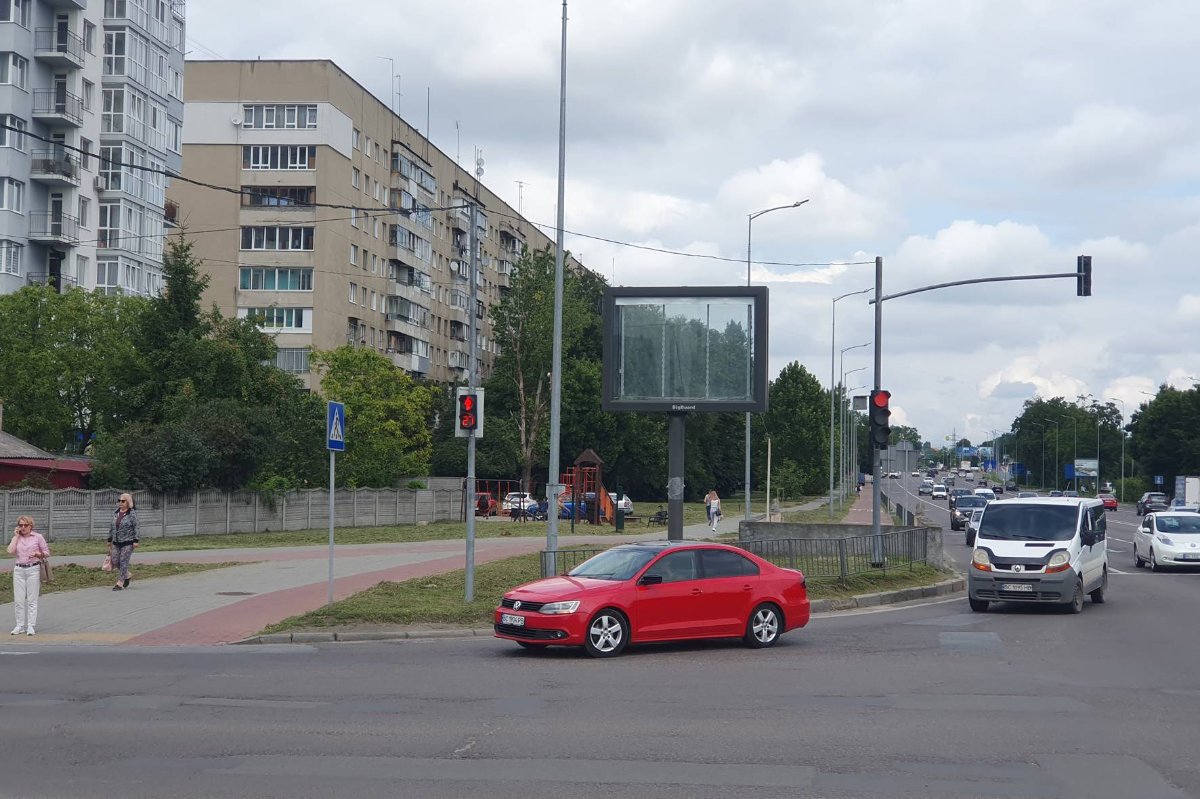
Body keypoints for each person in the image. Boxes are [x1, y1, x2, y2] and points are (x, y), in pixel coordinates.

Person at [7, 515, 49, 636]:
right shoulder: (17, 538)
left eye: (26, 525)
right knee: (19, 600)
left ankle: (31, 625)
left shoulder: (37, 537)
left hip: (33, 569)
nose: (23, 527)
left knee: (32, 599)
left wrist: (38, 553)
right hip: (19, 570)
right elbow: (10, 551)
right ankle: (19, 625)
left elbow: (47, 552)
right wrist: (15, 536)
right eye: (21, 525)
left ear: (31, 526)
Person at [107, 493, 139, 591]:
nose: (120, 502)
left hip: (128, 542)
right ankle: (127, 574)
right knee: (115, 561)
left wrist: (136, 540)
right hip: (116, 542)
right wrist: (109, 539)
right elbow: (111, 527)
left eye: (123, 501)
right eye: (119, 500)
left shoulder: (132, 513)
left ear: (128, 502)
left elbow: (136, 527)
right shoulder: (116, 513)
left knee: (123, 561)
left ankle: (120, 582)